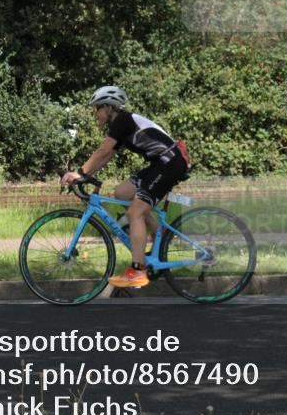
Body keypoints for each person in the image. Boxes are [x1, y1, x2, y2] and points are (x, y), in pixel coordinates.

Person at [60, 85, 190, 288]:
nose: (96, 114)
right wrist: (86, 175)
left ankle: (138, 271)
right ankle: (160, 234)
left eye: (97, 109)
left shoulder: (122, 120)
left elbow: (103, 151)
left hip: (170, 162)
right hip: (161, 163)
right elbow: (108, 154)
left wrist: (81, 173)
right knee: (121, 192)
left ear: (108, 107)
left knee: (135, 212)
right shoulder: (121, 124)